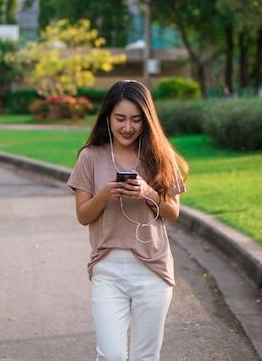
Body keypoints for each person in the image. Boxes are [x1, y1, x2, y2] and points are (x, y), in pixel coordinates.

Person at [67, 79, 189, 361]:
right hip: (107, 270)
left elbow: (172, 213)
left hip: (152, 268)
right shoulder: (90, 157)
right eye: (120, 118)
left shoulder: (161, 157)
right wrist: (105, 195)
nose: (128, 127)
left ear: (147, 120)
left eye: (136, 120)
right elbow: (83, 216)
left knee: (145, 357)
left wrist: (147, 192)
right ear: (107, 117)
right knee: (110, 355)